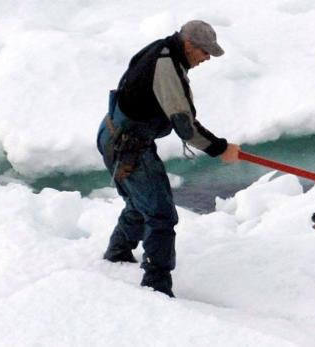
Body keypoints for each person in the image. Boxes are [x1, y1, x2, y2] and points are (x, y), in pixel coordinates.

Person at [96, 20, 240, 297]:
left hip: (113, 134)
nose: (207, 58)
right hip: (129, 146)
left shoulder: (163, 49)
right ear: (188, 45)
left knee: (141, 203)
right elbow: (185, 127)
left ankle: (118, 254)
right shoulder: (167, 67)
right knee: (161, 214)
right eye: (205, 51)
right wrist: (220, 148)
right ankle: (157, 286)